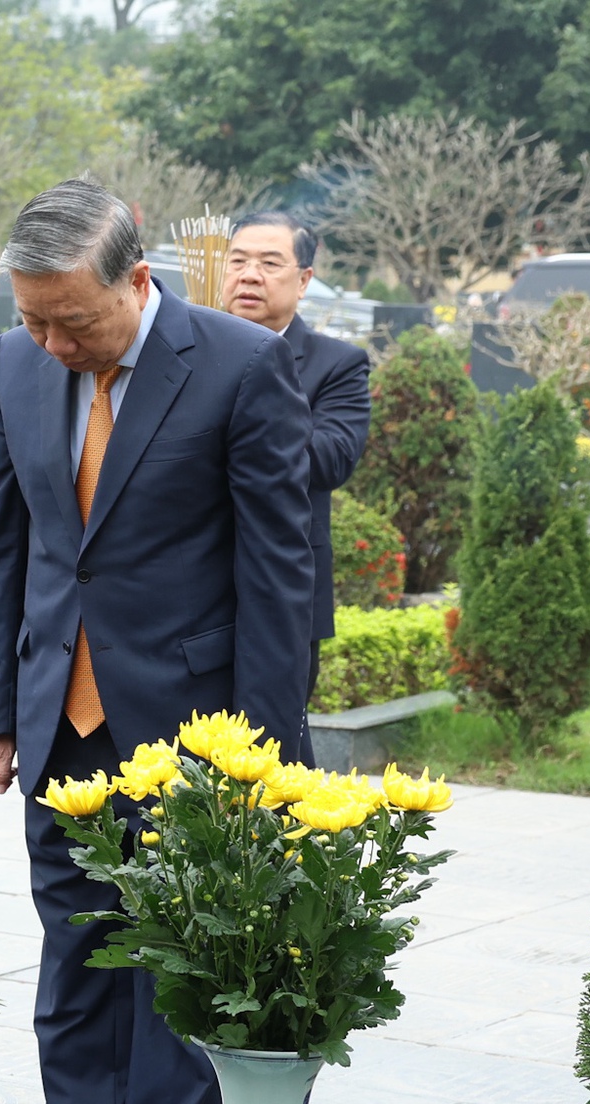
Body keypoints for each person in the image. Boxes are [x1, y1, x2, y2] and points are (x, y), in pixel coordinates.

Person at [0, 179, 313, 1104]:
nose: (51, 340)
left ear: (136, 280)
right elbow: (7, 547)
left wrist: (258, 758)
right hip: (57, 728)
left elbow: (276, 574)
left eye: (73, 318)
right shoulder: (15, 363)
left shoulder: (236, 366)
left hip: (190, 726)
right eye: (31, 318)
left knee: (170, 968)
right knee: (71, 964)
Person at [221, 210, 372, 749]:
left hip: (283, 594)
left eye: (269, 263)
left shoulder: (337, 364)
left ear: (304, 279)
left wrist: (238, 426)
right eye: (237, 261)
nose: (249, 275)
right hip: (188, 585)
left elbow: (332, 458)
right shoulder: (188, 355)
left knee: (270, 756)